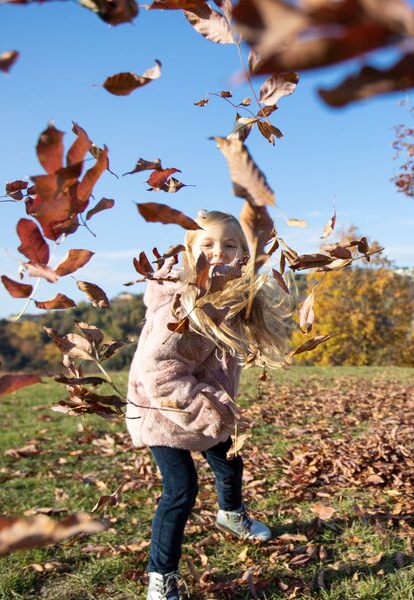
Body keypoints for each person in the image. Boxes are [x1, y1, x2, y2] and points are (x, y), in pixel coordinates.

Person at [125, 210, 294, 600]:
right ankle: (160, 577)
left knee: (231, 461)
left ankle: (231, 516)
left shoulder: (227, 295)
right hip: (162, 412)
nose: (218, 253)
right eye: (207, 244)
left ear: (242, 253)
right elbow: (159, 370)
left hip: (206, 409)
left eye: (229, 245)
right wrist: (208, 410)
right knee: (180, 490)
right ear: (190, 250)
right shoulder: (183, 306)